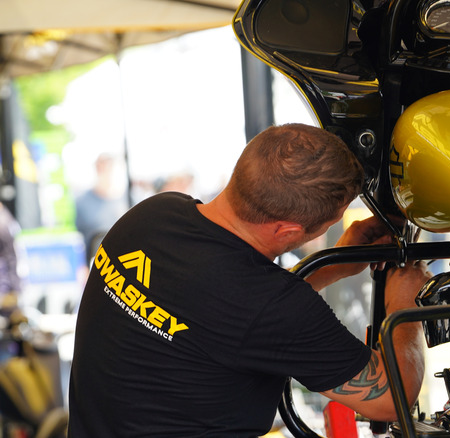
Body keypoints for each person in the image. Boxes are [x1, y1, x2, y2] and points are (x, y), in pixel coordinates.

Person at [67, 123, 430, 437]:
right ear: (288, 230)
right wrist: (405, 305)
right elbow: (390, 399)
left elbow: (225, 313)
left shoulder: (152, 214)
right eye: (330, 221)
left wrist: (331, 267)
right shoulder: (269, 304)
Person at [74, 153, 129, 262]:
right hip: (95, 262)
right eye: (101, 168)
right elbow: (78, 239)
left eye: (109, 168)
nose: (106, 173)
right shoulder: (82, 203)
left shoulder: (129, 199)